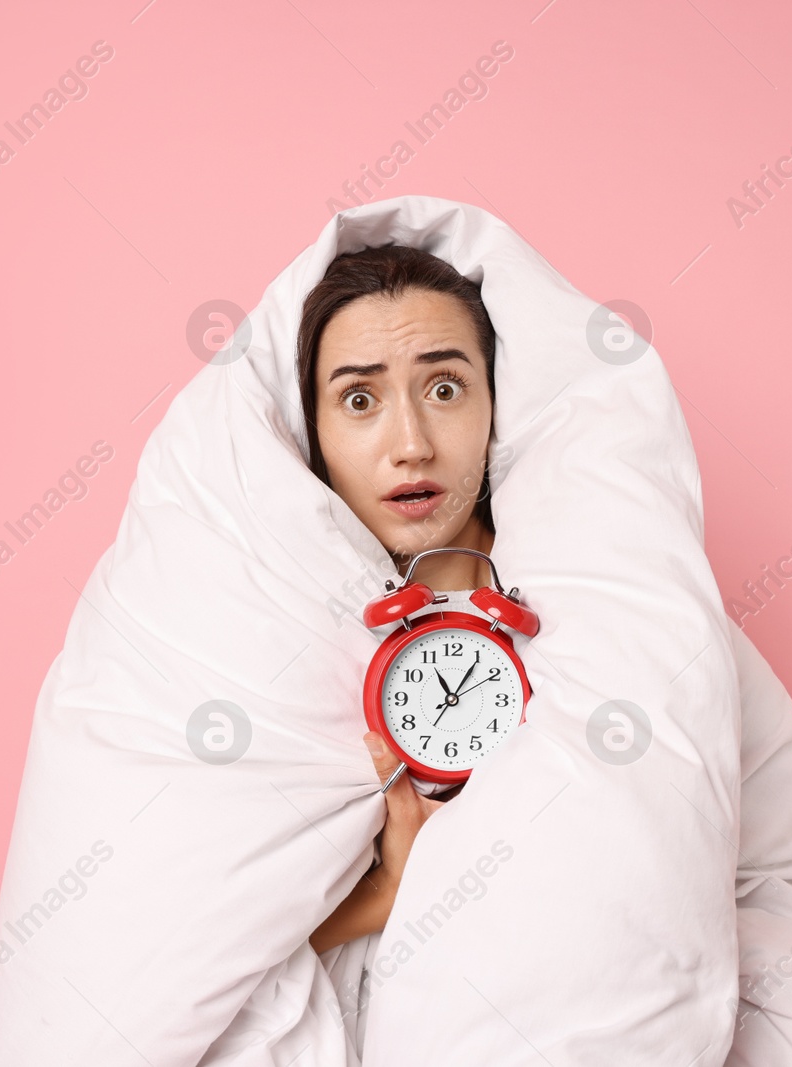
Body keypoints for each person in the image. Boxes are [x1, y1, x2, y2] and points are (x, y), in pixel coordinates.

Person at [291, 243, 500, 956]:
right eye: (359, 399)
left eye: (445, 388)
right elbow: (189, 961)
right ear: (310, 436)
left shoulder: (614, 594)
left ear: (497, 405)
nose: (411, 445)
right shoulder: (269, 626)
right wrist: (385, 893)